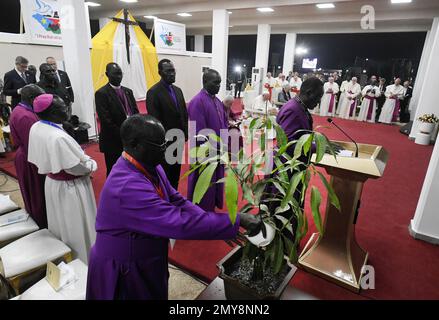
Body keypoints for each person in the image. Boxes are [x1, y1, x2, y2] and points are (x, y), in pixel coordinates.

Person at [86, 114, 262, 300]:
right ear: (135, 144)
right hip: (125, 266)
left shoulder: (148, 165)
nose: (166, 150)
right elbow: (178, 223)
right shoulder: (126, 187)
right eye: (159, 145)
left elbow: (177, 200)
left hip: (146, 257)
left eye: (166, 142)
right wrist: (234, 220)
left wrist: (220, 226)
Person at [28, 94, 97, 263]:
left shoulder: (37, 126)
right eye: (62, 107)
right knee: (76, 227)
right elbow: (74, 168)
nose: (66, 108)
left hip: (53, 184)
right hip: (71, 187)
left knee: (61, 224)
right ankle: (83, 259)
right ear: (51, 112)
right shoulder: (57, 137)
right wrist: (91, 165)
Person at [187, 69, 228, 211]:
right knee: (204, 185)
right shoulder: (197, 102)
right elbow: (199, 133)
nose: (218, 86)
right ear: (205, 82)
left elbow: (223, 124)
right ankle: (202, 214)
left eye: (220, 83)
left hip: (218, 152)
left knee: (216, 182)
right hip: (205, 154)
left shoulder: (217, 101)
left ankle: (211, 211)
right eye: (215, 83)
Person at [9, 84, 47, 228]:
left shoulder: (22, 110)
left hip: (27, 155)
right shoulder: (25, 116)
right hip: (30, 159)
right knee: (36, 194)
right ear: (32, 98)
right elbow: (33, 144)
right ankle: (42, 225)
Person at [146, 59, 188, 189]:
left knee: (176, 173)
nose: (172, 74)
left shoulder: (178, 90)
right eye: (168, 71)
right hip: (165, 142)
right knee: (165, 175)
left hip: (179, 139)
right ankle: (165, 201)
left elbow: (183, 113)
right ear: (160, 73)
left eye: (173, 70)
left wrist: (185, 133)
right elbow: (155, 121)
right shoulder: (154, 92)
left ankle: (174, 197)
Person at [96, 63, 139, 176]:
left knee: (131, 168)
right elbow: (106, 120)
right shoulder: (101, 93)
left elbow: (135, 112)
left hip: (130, 138)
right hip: (113, 140)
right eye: (115, 74)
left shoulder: (128, 91)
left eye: (120, 74)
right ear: (107, 74)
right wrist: (124, 134)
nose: (119, 77)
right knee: (114, 170)